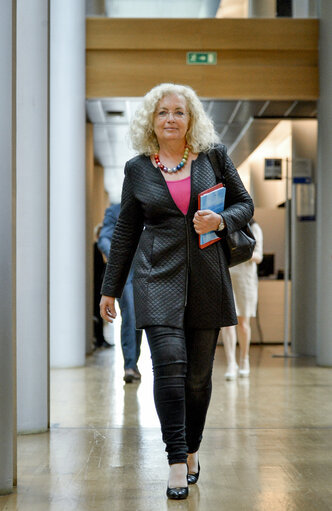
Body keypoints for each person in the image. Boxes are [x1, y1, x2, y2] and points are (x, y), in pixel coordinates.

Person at [99, 83, 254, 500]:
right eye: (163, 112)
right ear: (152, 119)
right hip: (156, 276)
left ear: (191, 119)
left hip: (207, 274)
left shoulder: (214, 157)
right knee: (168, 365)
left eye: (179, 112)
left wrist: (219, 222)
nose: (171, 118)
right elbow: (127, 230)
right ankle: (174, 459)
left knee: (199, 379)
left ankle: (192, 450)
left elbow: (245, 205)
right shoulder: (138, 169)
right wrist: (109, 289)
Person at [98, 203, 142, 383]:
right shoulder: (115, 210)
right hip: (128, 273)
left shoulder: (154, 204)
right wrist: (119, 258)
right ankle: (130, 366)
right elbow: (104, 239)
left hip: (156, 269)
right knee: (131, 314)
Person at [221, 219, 263, 380]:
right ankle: (231, 363)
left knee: (243, 323)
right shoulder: (223, 224)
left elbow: (258, 256)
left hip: (245, 279)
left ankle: (244, 359)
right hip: (227, 276)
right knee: (227, 323)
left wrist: (240, 249)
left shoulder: (254, 227)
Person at [93, 223, 113, 349]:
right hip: (96, 287)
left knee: (101, 314)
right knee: (96, 313)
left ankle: (101, 339)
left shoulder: (106, 250)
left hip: (102, 287)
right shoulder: (95, 249)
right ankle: (99, 339)